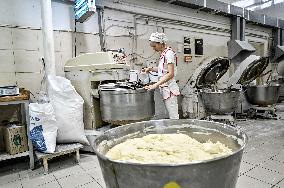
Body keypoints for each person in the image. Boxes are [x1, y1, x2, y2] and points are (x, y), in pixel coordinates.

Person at [143, 32, 180, 119]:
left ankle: (176, 131)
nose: (153, 48)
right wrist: (150, 69)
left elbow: (170, 74)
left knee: (173, 116)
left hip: (169, 89)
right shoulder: (163, 53)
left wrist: (155, 85)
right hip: (165, 88)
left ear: (160, 43)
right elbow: (163, 70)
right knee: (171, 114)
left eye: (154, 46)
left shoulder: (169, 54)